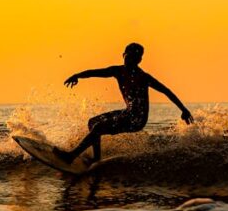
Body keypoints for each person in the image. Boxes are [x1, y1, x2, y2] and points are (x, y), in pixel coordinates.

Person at [55, 43, 194, 164]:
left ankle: (71, 156)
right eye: (128, 56)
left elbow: (166, 91)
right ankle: (96, 159)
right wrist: (77, 75)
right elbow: (95, 72)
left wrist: (184, 109)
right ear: (123, 55)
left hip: (137, 119)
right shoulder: (118, 71)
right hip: (127, 113)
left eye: (134, 58)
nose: (130, 60)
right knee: (92, 122)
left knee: (98, 127)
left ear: (139, 60)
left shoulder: (143, 77)